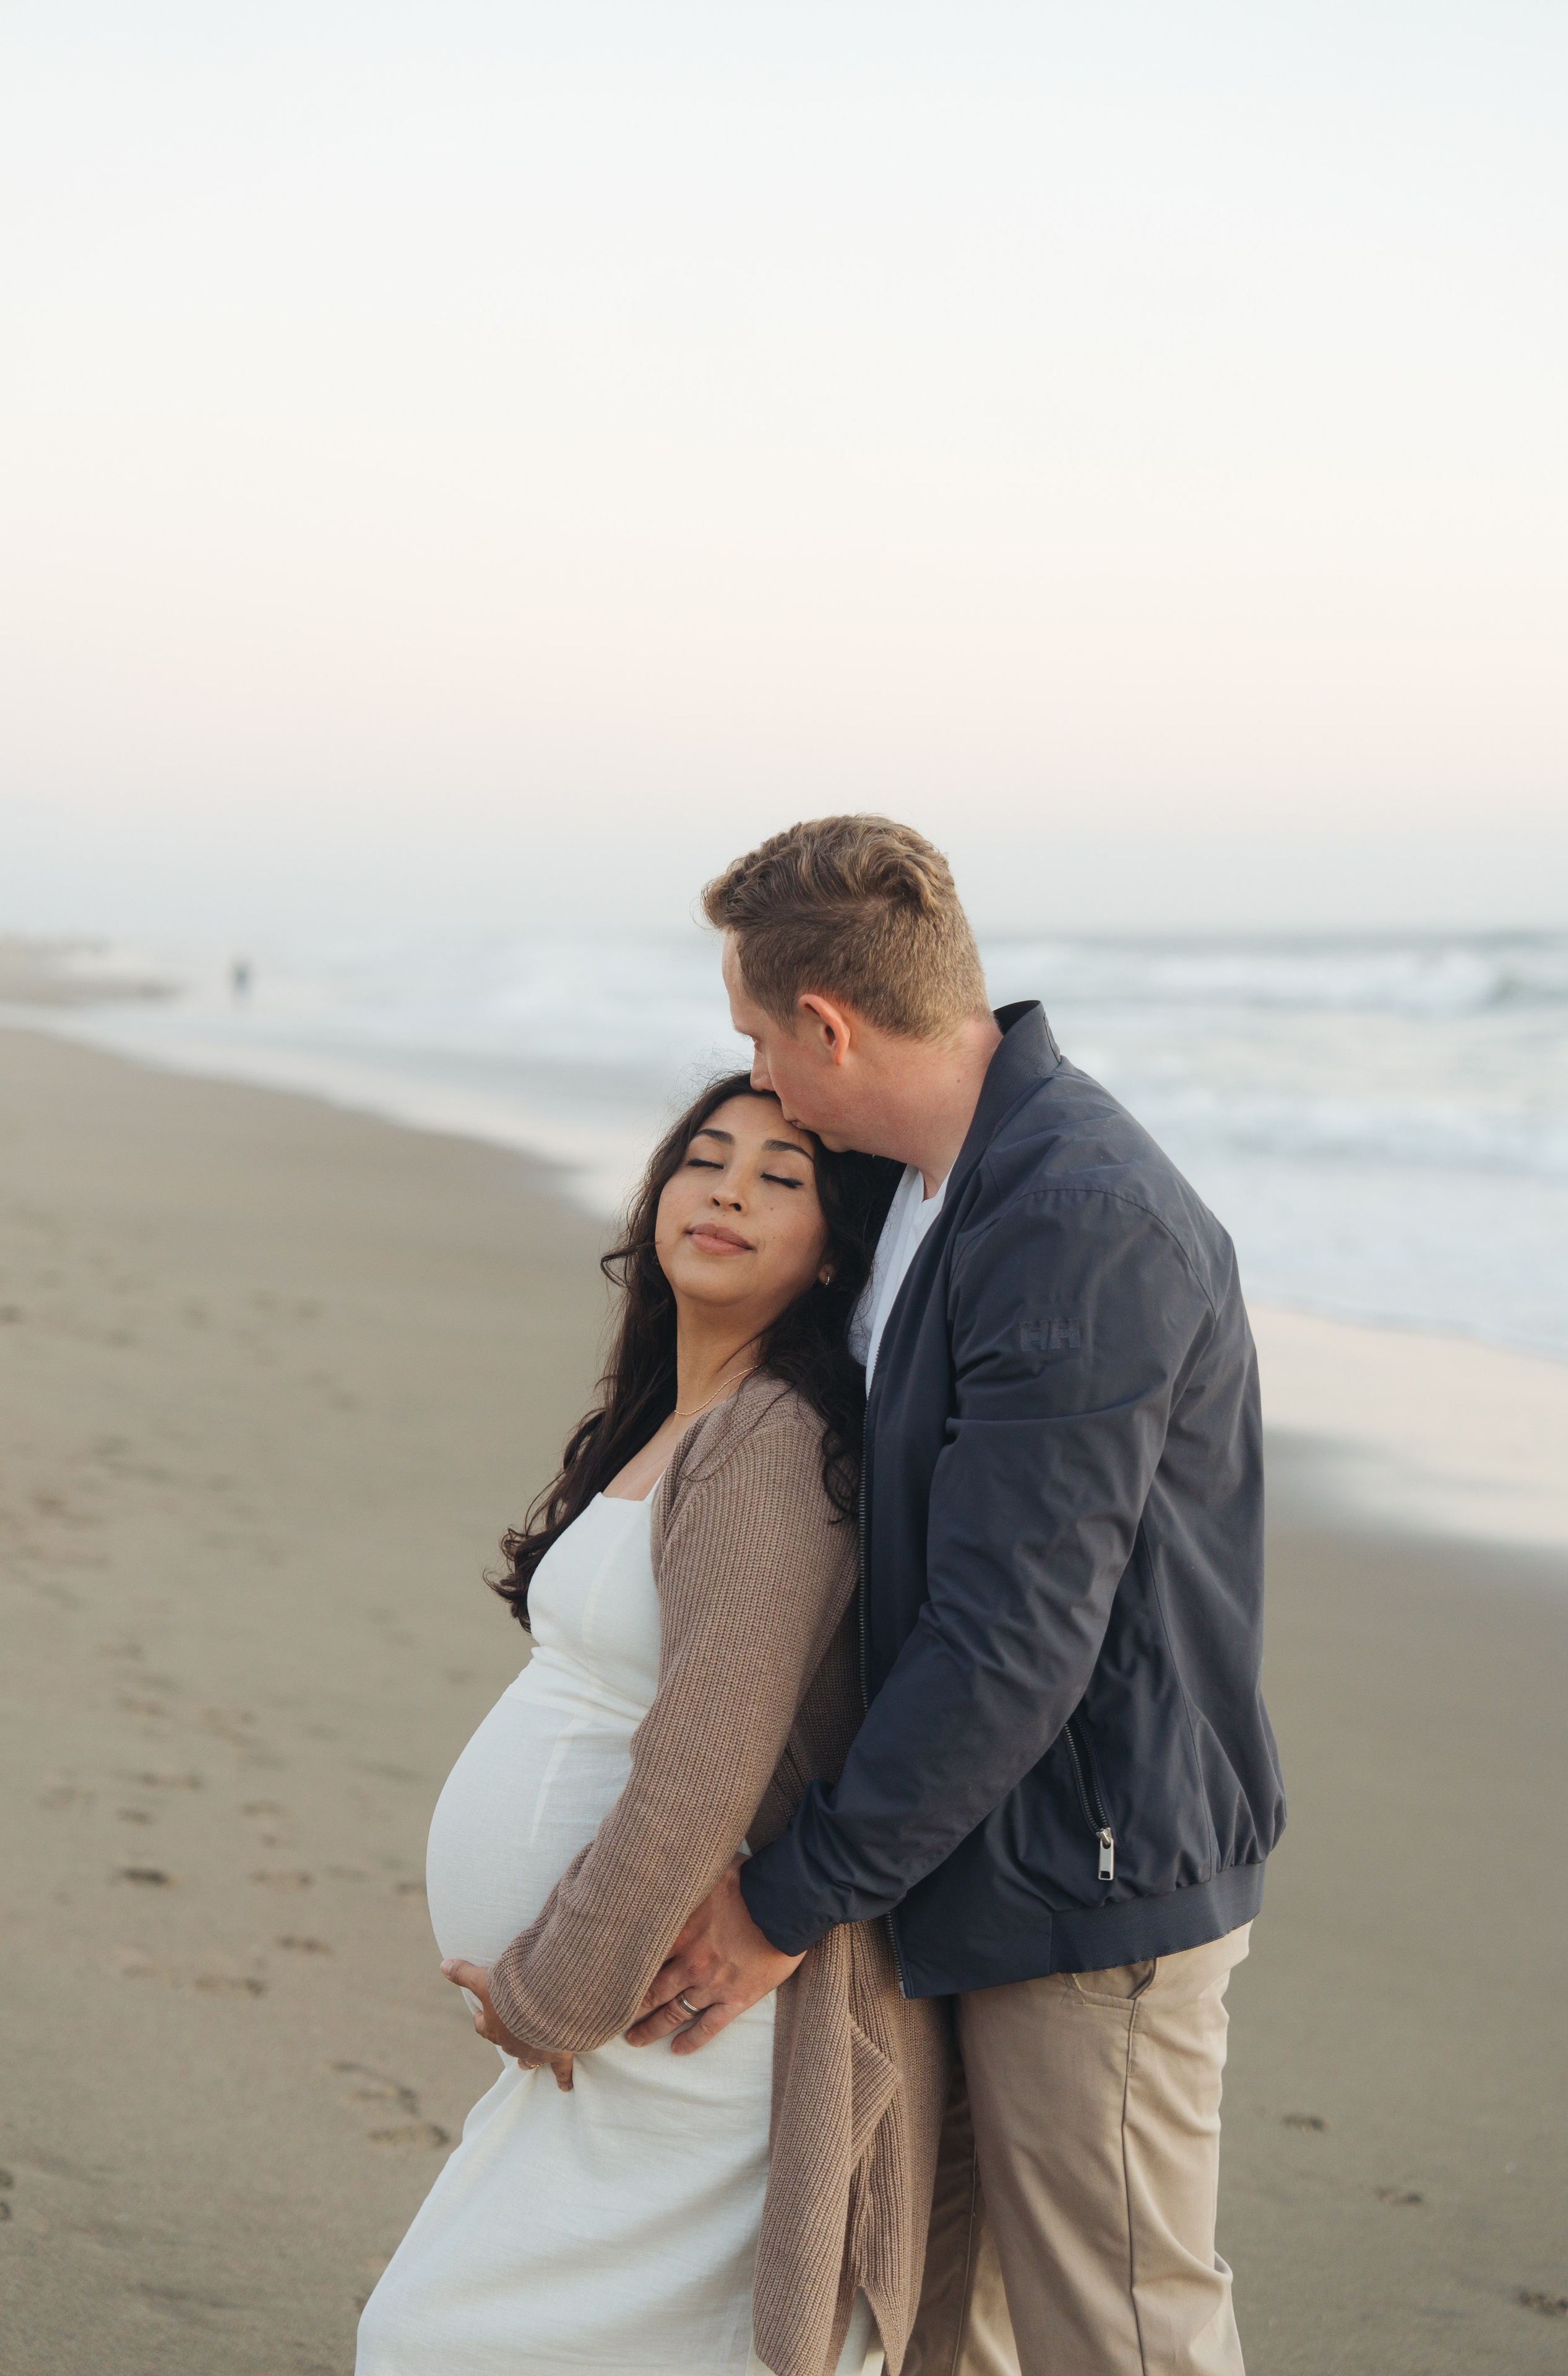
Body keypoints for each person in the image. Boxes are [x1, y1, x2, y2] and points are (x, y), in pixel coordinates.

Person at [626, 817, 1287, 2376]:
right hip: (967, 1865)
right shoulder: (934, 1187)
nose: (757, 1078)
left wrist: (789, 1898)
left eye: (757, 1039)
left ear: (827, 1025)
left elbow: (1011, 1640)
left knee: (1117, 2338)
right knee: (939, 2339)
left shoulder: (1072, 1221)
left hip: (1088, 1888)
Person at [355, 1072, 950, 2376]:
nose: (728, 1191)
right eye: (705, 1159)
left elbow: (702, 1766)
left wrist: (554, 1991)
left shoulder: (775, 1439)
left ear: (833, 1253)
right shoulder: (677, 1421)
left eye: (779, 1179)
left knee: (434, 2343)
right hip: (629, 2033)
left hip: (677, 2024)